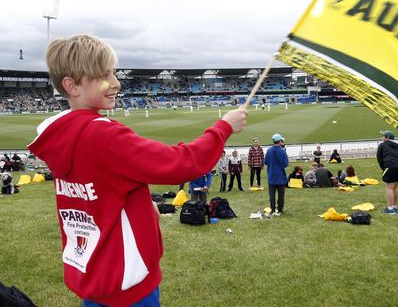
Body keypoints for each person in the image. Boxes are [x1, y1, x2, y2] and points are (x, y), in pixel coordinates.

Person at [26, 34, 247, 306]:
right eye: (103, 74)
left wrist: (141, 206)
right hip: (128, 282)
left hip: (94, 273)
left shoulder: (63, 134)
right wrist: (223, 127)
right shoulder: (103, 135)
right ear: (72, 86)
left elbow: (102, 192)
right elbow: (180, 163)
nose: (116, 83)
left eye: (114, 73)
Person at [377, 130, 398, 214]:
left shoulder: (382, 145)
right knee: (395, 187)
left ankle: (390, 209)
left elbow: (379, 158)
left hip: (390, 166)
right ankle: (394, 206)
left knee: (389, 187)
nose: (382, 138)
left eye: (383, 136)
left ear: (387, 138)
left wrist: (384, 168)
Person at [264, 134, 288, 214]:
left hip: (271, 175)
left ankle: (273, 209)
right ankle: (280, 209)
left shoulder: (269, 150)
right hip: (280, 176)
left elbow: (266, 162)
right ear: (280, 141)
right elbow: (285, 164)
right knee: (281, 195)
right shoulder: (282, 151)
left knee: (272, 195)